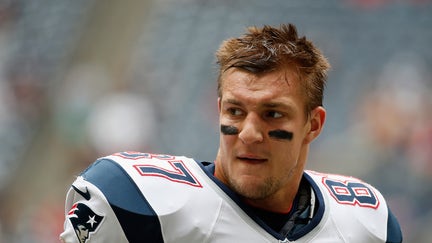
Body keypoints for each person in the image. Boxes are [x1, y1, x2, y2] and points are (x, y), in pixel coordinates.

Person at [60, 24, 402, 243]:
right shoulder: (136, 201)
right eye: (236, 111)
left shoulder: (366, 221)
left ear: (313, 125)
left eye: (273, 114)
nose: (250, 133)